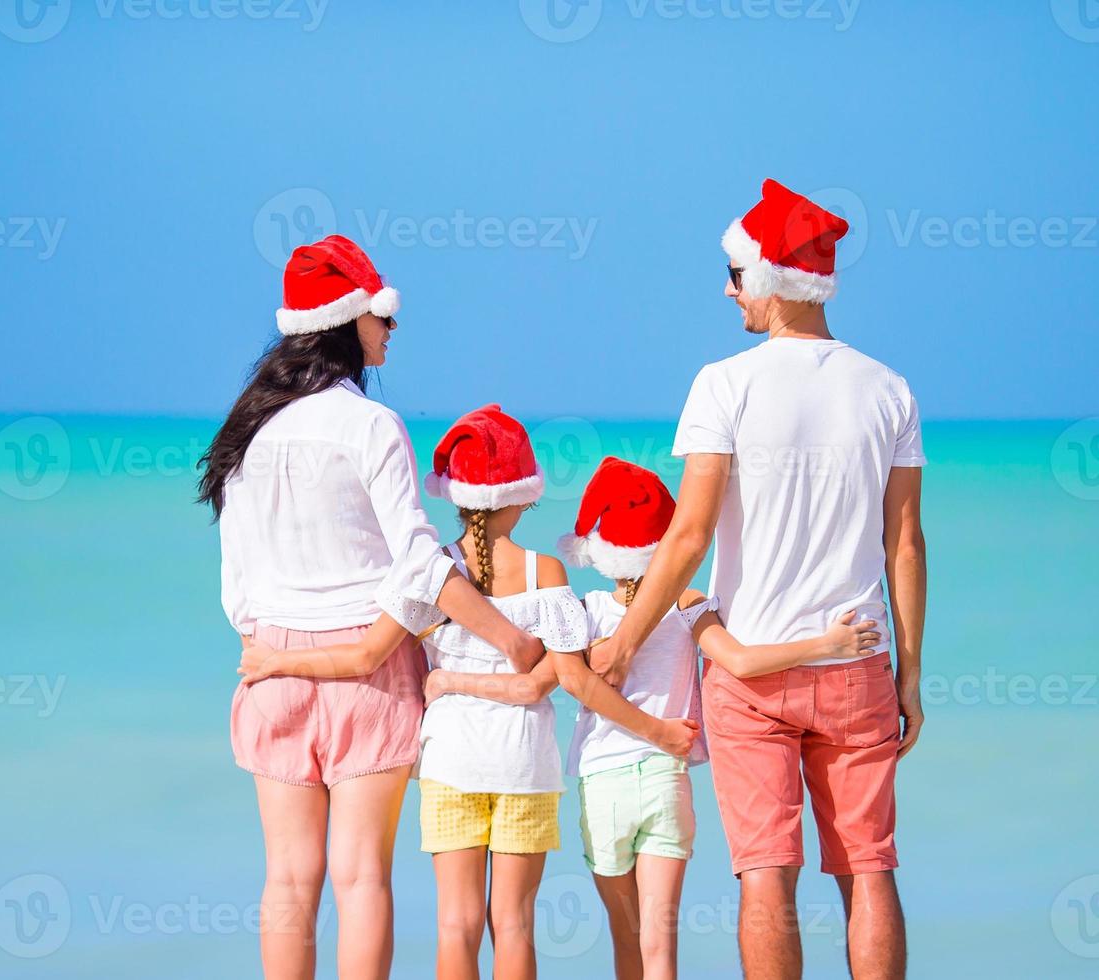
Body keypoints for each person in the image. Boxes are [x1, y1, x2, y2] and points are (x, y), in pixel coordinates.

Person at [591, 180, 928, 980]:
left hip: (750, 670)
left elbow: (690, 534)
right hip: (856, 665)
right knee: (869, 867)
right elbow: (905, 544)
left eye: (735, 275)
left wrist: (623, 644)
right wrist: (909, 676)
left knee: (765, 874)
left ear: (769, 280)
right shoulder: (888, 388)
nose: (727, 289)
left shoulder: (724, 383)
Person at [197, 235, 545, 980]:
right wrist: (510, 638)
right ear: (347, 320)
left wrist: (271, 643)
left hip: (272, 664)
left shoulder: (248, 431)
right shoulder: (369, 425)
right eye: (383, 318)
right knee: (361, 879)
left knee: (288, 880)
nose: (391, 331)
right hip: (369, 666)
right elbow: (418, 562)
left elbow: (237, 582)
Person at [243, 403, 582, 980]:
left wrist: (280, 659)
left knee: (456, 922)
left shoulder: (426, 572)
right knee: (516, 922)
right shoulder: (545, 573)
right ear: (524, 497)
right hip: (525, 763)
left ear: (454, 497)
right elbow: (553, 678)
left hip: (451, 763)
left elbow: (365, 656)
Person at [556, 455, 882, 980]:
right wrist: (828, 644)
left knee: (626, 940)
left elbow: (568, 677)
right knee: (661, 948)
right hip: (667, 780)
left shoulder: (584, 608)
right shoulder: (687, 602)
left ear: (599, 549)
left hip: (603, 781)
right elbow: (743, 661)